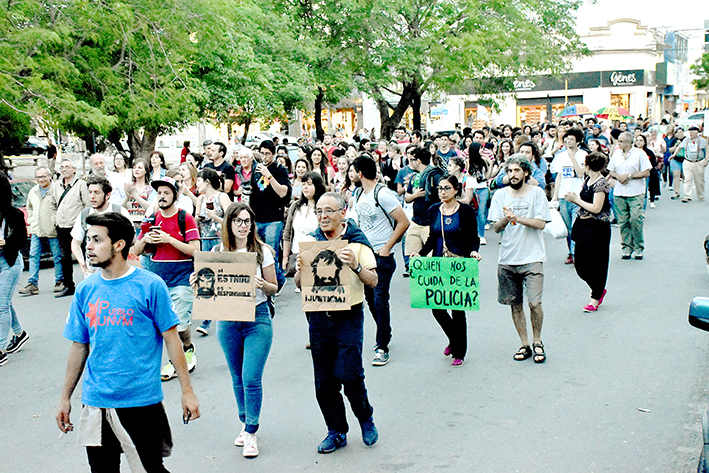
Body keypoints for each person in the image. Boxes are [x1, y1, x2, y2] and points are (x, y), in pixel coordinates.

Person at [55, 212, 200, 471]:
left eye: (97, 240)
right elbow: (79, 346)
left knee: (151, 469)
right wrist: (65, 397)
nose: (88, 246)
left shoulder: (150, 285)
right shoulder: (86, 290)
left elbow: (172, 340)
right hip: (96, 401)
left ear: (119, 245)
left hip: (142, 403)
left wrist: (187, 392)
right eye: (88, 239)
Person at [295, 192, 379, 453]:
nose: (323, 217)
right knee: (324, 381)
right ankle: (336, 431)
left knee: (350, 374)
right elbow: (299, 284)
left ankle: (365, 418)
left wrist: (355, 266)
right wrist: (300, 270)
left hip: (348, 315)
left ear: (343, 213)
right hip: (319, 318)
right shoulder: (312, 242)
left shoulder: (356, 242)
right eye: (319, 212)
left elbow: (373, 280)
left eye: (329, 211)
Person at [190, 203, 276, 457]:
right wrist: (197, 283)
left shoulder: (262, 252)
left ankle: (251, 430)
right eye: (238, 220)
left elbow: (274, 287)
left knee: (251, 377)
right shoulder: (218, 251)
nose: (243, 225)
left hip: (257, 317)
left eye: (247, 221)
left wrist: (263, 284)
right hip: (227, 319)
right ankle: (244, 421)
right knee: (237, 377)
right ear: (229, 223)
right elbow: (206, 291)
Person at [133, 177, 201, 380]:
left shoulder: (185, 218)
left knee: (179, 324)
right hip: (156, 281)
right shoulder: (152, 219)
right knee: (160, 326)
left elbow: (196, 250)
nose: (162, 197)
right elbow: (135, 251)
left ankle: (186, 350)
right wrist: (145, 239)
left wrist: (169, 239)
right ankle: (174, 358)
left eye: (166, 193)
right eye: (159, 193)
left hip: (181, 279)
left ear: (175, 195)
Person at [489, 155, 551, 364]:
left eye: (516, 171)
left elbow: (541, 224)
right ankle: (524, 344)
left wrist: (518, 218)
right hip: (507, 258)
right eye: (509, 171)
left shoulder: (536, 194)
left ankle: (538, 341)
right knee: (515, 305)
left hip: (532, 257)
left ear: (525, 173)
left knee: (535, 303)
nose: (512, 175)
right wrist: (506, 219)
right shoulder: (499, 195)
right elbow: (495, 228)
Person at [414, 175, 480, 367]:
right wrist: (420, 254)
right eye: (440, 189)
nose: (442, 192)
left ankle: (460, 351)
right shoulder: (434, 210)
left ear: (456, 190)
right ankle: (454, 337)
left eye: (446, 188)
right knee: (437, 307)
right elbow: (432, 239)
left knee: (458, 310)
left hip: (459, 265)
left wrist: (474, 252)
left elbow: (473, 238)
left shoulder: (466, 211)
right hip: (439, 265)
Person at [350, 155, 409, 366]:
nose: (350, 174)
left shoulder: (382, 193)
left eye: (352, 170)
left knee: (379, 298)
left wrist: (387, 247)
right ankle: (385, 330)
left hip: (381, 256)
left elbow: (403, 222)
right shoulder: (356, 194)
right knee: (370, 298)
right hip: (363, 255)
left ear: (359, 173)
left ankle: (382, 346)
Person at [562, 152, 612, 312]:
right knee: (581, 265)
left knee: (597, 262)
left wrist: (575, 199)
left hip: (597, 227)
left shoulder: (601, 184)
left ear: (588, 166)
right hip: (582, 225)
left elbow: (596, 208)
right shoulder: (587, 180)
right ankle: (598, 289)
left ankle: (595, 296)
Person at [249, 140, 292, 290]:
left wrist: (269, 175)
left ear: (273, 155)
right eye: (262, 153)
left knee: (271, 252)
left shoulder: (280, 170)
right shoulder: (256, 169)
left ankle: (277, 282)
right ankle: (269, 281)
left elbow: (283, 192)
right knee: (258, 252)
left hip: (274, 218)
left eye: (267, 153)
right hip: (257, 217)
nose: (264, 156)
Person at [70, 175, 131, 279]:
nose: (92, 196)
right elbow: (75, 242)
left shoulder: (119, 211)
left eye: (96, 192)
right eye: (90, 192)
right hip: (92, 273)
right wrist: (81, 260)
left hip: (117, 272)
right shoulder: (84, 214)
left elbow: (131, 240)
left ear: (107, 194)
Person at [19, 166, 64, 296]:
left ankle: (59, 280)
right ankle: (32, 284)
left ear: (49, 176)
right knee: (33, 255)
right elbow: (29, 207)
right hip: (37, 229)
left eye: (43, 176)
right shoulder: (33, 191)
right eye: (38, 177)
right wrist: (32, 220)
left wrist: (56, 220)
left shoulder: (56, 189)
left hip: (52, 228)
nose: (41, 179)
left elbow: (61, 207)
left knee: (57, 256)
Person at [0, 172, 29, 365]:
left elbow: (21, 239)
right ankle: (19, 333)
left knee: (1, 304)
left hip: (10, 262)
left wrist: (5, 242)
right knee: (5, 302)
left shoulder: (14, 214)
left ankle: (0, 348)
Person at [608, 132, 651, 260]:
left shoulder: (639, 154)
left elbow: (647, 172)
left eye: (621, 141)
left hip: (635, 191)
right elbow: (611, 170)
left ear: (628, 142)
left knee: (635, 219)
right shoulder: (616, 154)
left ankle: (638, 247)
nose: (618, 143)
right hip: (619, 192)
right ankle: (626, 247)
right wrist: (618, 177)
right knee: (623, 221)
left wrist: (630, 176)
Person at [51, 158, 89, 298]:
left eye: (67, 167)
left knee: (85, 255)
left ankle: (89, 282)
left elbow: (87, 205)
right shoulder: (56, 186)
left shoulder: (81, 185)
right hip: (62, 226)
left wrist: (83, 224)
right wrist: (55, 219)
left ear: (74, 169)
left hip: (77, 226)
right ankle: (68, 285)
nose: (64, 169)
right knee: (64, 257)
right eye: (62, 167)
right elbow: (52, 204)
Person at [283, 172, 326, 287]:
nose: (305, 187)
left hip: (316, 256)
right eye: (303, 184)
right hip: (296, 255)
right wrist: (285, 258)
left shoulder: (323, 207)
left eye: (309, 184)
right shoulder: (296, 206)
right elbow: (287, 233)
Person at [551, 128, 587, 265]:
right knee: (567, 228)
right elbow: (559, 176)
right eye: (566, 139)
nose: (568, 141)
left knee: (576, 226)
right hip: (563, 196)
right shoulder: (560, 156)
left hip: (577, 196)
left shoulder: (584, 155)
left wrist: (573, 158)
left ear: (578, 141)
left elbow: (581, 174)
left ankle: (577, 253)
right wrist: (555, 196)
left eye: (571, 139)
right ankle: (571, 252)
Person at [404, 148, 444, 262]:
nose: (410, 162)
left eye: (412, 159)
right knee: (413, 257)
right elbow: (407, 198)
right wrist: (415, 195)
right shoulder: (414, 177)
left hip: (430, 222)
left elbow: (444, 194)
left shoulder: (435, 175)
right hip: (416, 221)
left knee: (431, 259)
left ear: (418, 161)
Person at [462, 143, 492, 245]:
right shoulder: (467, 161)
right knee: (471, 211)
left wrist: (490, 164)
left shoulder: (483, 161)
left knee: (481, 212)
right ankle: (472, 234)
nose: (482, 151)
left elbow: (487, 176)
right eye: (480, 149)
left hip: (482, 187)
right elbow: (465, 173)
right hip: (471, 187)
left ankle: (481, 235)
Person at [671, 126, 707, 203]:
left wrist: (706, 160)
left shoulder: (702, 140)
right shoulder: (686, 140)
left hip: (698, 161)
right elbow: (679, 147)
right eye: (690, 132)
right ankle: (687, 196)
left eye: (692, 132)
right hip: (688, 161)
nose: (691, 133)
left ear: (697, 132)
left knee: (699, 180)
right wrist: (674, 154)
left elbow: (707, 150)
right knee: (687, 179)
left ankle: (700, 195)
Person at [668, 127, 685, 199]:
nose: (679, 134)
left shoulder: (687, 140)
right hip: (675, 159)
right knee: (676, 175)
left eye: (681, 132)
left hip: (685, 159)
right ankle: (676, 192)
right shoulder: (673, 140)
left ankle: (687, 193)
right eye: (678, 132)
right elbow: (670, 150)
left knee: (686, 176)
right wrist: (676, 145)